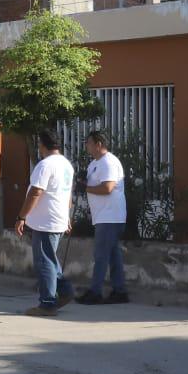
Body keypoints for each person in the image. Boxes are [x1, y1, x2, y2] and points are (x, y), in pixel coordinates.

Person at [15, 130, 75, 316]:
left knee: (44, 262)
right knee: (50, 259)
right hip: (57, 219)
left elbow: (35, 192)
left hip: (45, 221)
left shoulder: (45, 165)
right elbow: (68, 195)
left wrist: (21, 216)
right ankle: (64, 291)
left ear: (42, 145)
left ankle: (47, 303)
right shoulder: (66, 165)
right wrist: (67, 217)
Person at [78, 130, 129, 304]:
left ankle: (95, 292)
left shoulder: (109, 162)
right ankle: (119, 290)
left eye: (89, 143)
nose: (87, 146)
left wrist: (85, 189)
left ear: (99, 144)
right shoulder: (94, 164)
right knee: (113, 255)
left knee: (101, 255)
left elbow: (107, 188)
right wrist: (83, 182)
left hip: (110, 216)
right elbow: (93, 184)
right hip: (103, 216)